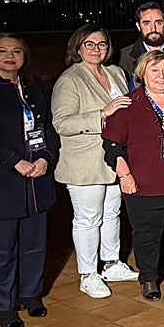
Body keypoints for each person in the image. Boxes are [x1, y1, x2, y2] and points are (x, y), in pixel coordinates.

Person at [0, 33, 60, 327]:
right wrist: (13, 160)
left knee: (34, 245)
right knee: (0, 250)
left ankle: (31, 294)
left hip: (35, 181)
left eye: (16, 51)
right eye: (2, 51)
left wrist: (45, 157)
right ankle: (4, 307)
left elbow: (46, 127)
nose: (10, 56)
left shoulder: (33, 87)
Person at [50, 24, 139, 300]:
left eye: (101, 44)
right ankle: (88, 274)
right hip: (85, 162)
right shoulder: (70, 79)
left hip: (114, 159)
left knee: (112, 213)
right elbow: (62, 123)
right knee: (88, 218)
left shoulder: (115, 73)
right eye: (89, 44)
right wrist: (102, 113)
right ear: (77, 47)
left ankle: (111, 263)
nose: (96, 49)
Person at [102, 50, 164, 301]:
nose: (161, 76)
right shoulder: (127, 104)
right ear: (142, 73)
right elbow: (112, 146)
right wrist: (125, 175)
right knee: (146, 235)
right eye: (154, 70)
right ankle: (148, 278)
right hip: (143, 182)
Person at [117, 1, 164, 88]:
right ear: (138, 26)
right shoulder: (124, 57)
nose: (153, 28)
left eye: (158, 23)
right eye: (146, 23)